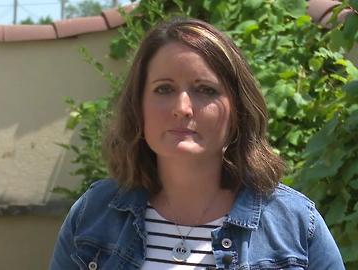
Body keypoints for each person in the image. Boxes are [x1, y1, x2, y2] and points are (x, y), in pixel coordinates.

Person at [49, 17, 345, 270]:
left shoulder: (294, 224)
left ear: (238, 110)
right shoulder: (94, 214)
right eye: (164, 89)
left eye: (205, 90)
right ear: (138, 105)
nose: (183, 108)